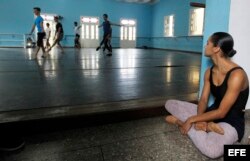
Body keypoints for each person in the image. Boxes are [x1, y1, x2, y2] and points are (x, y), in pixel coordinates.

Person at [165, 32, 249, 159]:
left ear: (216, 48)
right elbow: (204, 99)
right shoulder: (209, 71)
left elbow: (221, 112)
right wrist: (201, 119)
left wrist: (191, 120)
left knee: (212, 151)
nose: (205, 46)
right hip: (210, 113)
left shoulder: (237, 75)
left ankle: (180, 122)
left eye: (208, 43)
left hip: (230, 122)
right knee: (169, 103)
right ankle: (206, 127)